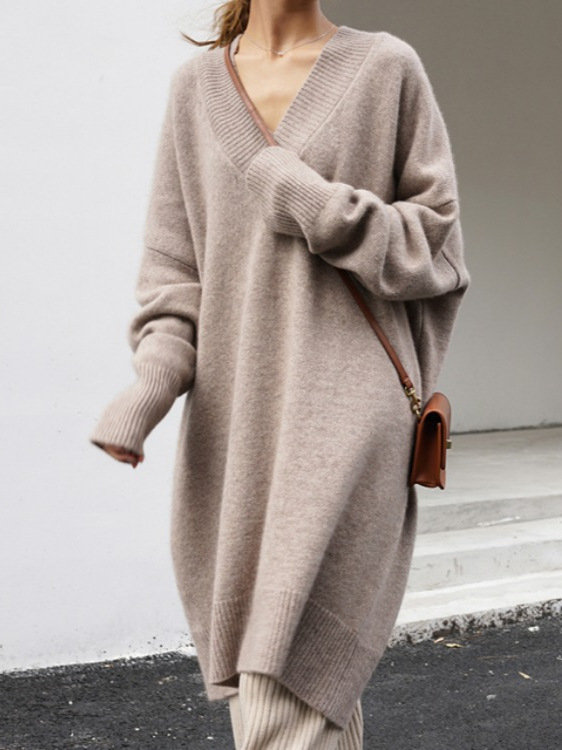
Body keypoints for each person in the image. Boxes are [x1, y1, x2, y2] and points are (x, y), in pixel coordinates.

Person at [89, 0, 470, 747]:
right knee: (297, 694)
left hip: (349, 416)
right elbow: (174, 276)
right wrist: (152, 385)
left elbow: (436, 248)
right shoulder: (195, 90)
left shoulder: (386, 68)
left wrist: (304, 196)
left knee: (279, 689)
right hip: (236, 429)